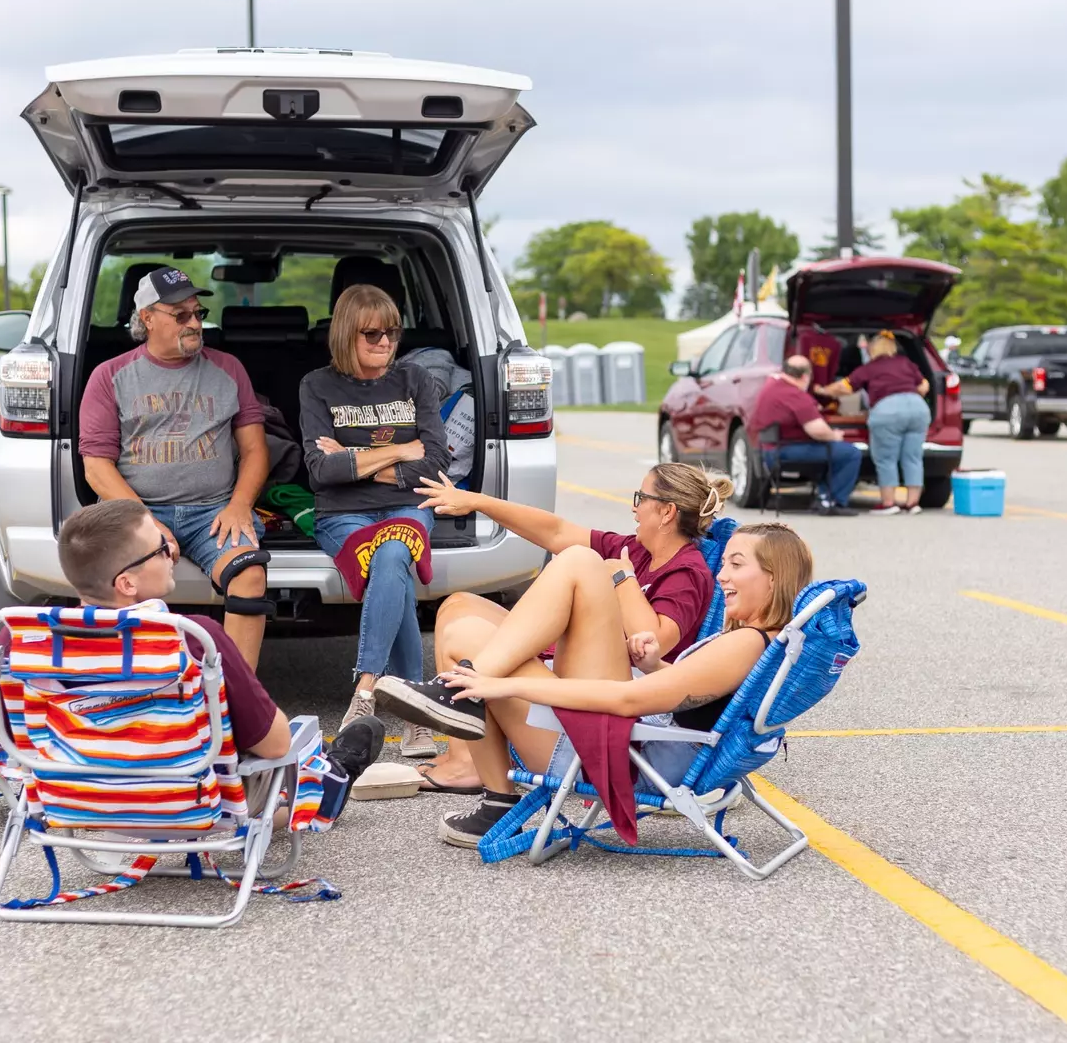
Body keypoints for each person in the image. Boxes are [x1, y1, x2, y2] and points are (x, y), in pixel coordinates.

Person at [375, 524, 813, 846]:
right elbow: (691, 695)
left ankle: (490, 786)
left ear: (773, 579)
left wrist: (505, 686)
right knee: (475, 625)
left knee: (476, 631)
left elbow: (626, 699)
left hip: (606, 756)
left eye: (737, 566)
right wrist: (656, 664)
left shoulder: (746, 645)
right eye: (726, 564)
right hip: (622, 743)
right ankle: (469, 722)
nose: (722, 576)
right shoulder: (757, 644)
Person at [400, 462, 729, 792]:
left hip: (608, 711)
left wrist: (621, 577)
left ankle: (462, 685)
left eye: (641, 497)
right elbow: (555, 532)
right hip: (570, 678)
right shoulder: (635, 550)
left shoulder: (687, 572)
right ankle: (466, 761)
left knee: (576, 561)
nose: (634, 506)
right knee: (457, 605)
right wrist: (477, 501)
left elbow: (654, 644)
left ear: (667, 512)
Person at [55, 498, 384, 803]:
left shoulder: (36, 647)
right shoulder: (194, 638)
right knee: (296, 735)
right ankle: (330, 780)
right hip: (192, 802)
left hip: (84, 799)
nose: (171, 549)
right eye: (158, 548)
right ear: (127, 584)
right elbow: (275, 744)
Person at [79, 266, 272, 670]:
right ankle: (119, 689)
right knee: (120, 581)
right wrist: (145, 520)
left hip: (213, 512)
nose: (195, 324)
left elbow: (255, 450)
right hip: (134, 511)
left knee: (250, 573)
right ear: (147, 318)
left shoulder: (228, 369)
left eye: (198, 313)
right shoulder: (109, 377)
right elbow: (97, 468)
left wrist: (239, 505)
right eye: (181, 315)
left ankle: (236, 697)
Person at [300, 284, 451, 735]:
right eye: (371, 334)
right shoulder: (317, 386)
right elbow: (320, 472)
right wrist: (403, 449)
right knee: (394, 568)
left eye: (392, 332)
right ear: (347, 334)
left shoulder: (414, 380)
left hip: (406, 505)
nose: (384, 342)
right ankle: (415, 711)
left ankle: (365, 689)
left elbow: (436, 461)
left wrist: (355, 462)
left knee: (391, 554)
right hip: (340, 513)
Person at [816, 333, 929, 515]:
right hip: (918, 408)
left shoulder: (870, 367)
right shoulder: (906, 363)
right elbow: (924, 385)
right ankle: (913, 503)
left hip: (888, 411)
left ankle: (888, 503)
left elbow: (844, 387)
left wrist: (822, 390)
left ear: (872, 349)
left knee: (886, 458)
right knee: (913, 457)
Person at [747, 355, 861, 516]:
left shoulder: (771, 386)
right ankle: (832, 501)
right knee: (850, 453)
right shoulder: (794, 395)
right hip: (787, 451)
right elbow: (818, 430)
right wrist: (835, 435)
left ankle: (823, 496)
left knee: (833, 452)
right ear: (805, 376)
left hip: (769, 450)